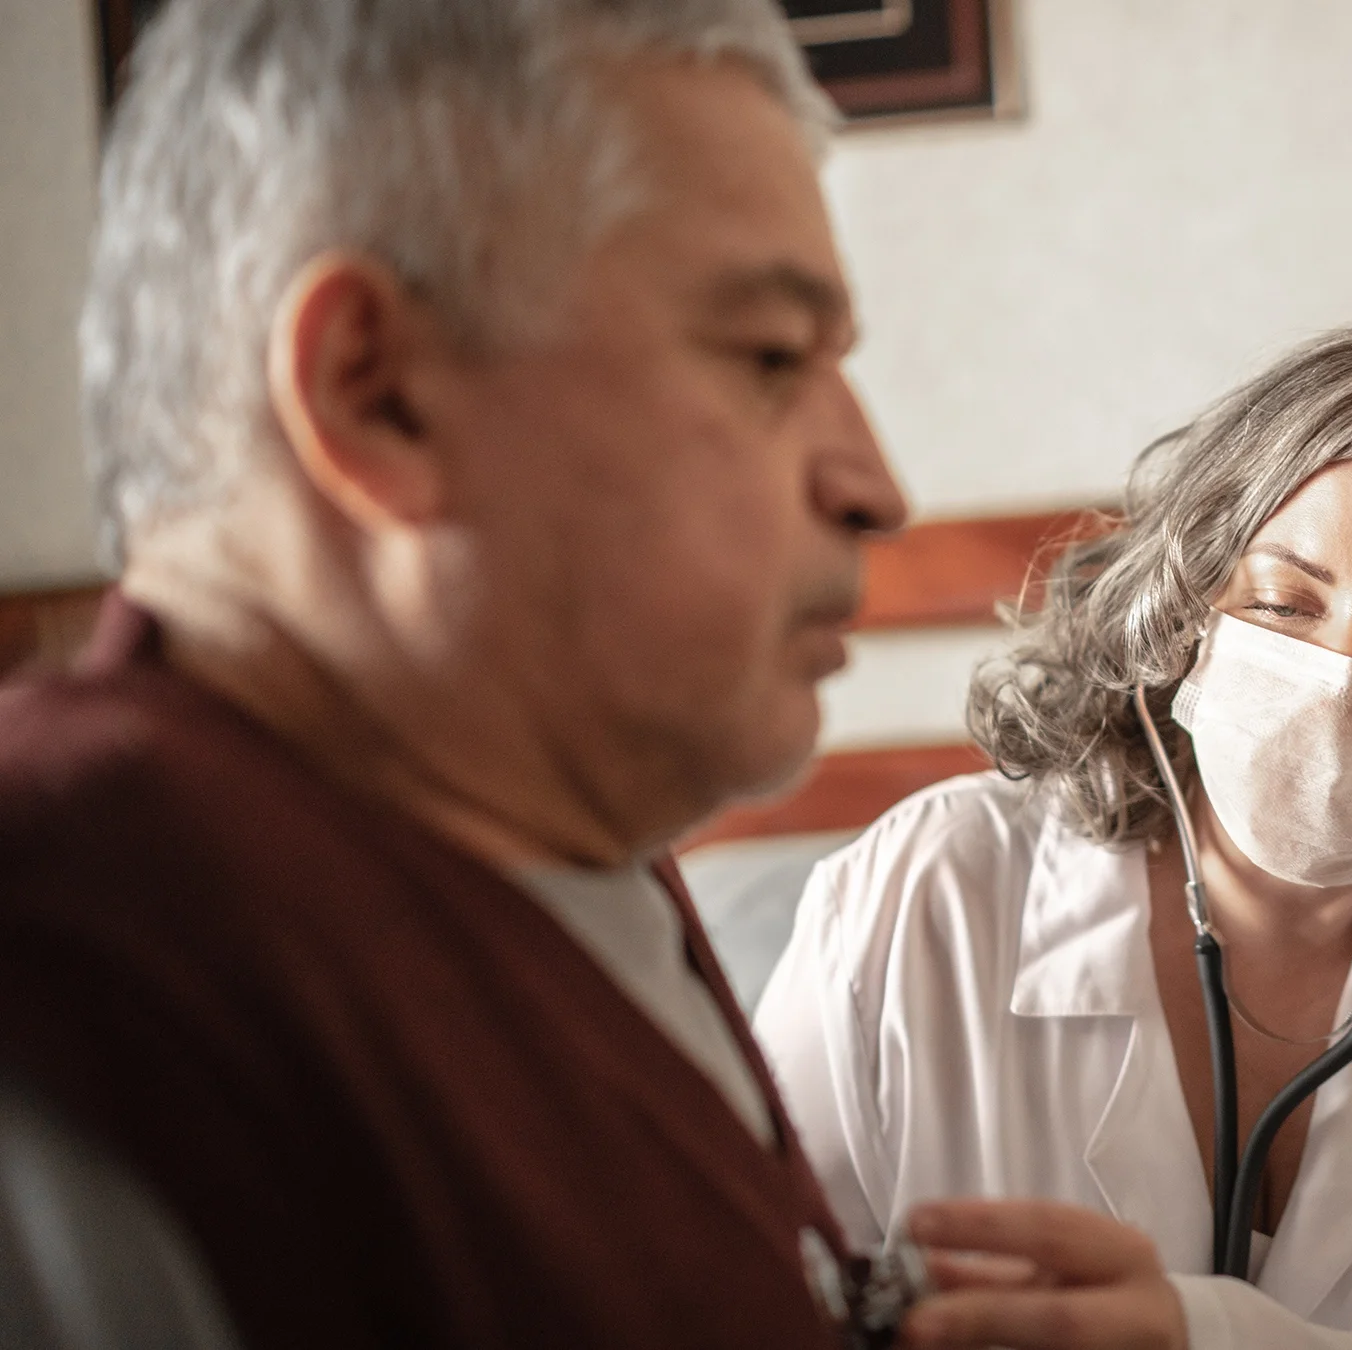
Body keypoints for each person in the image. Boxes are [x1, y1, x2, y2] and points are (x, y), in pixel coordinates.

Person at [0, 1, 930, 1344]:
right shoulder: (84, 986)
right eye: (771, 358)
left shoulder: (547, 831)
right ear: (374, 393)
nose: (875, 486)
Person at [756, 318, 1352, 1350]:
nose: (1337, 689)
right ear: (1194, 606)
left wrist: (1196, 1336)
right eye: (1284, 601)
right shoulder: (920, 892)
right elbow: (741, 1288)